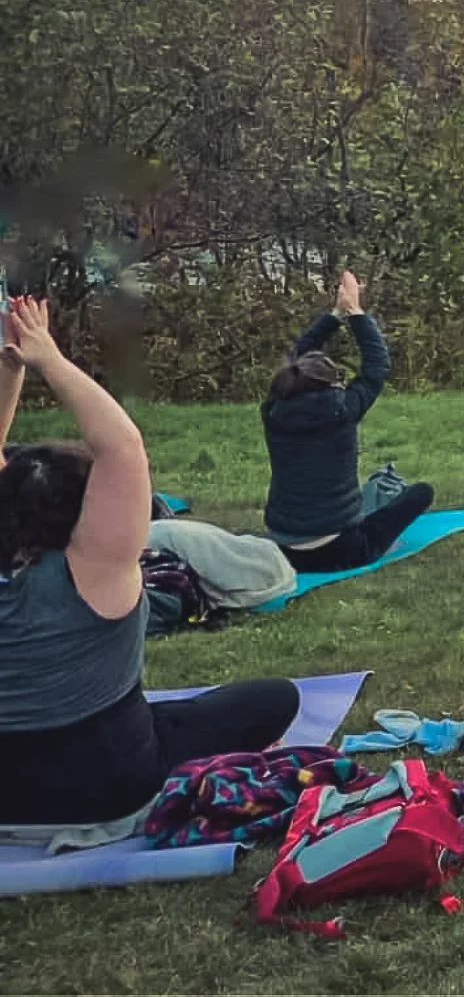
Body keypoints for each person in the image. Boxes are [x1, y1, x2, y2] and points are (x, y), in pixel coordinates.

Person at [0, 296, 299, 826]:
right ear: (85, 511)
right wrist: (47, 357)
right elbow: (122, 447)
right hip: (111, 786)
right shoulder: (99, 564)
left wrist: (11, 362)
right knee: (273, 699)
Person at [262, 271, 434, 572]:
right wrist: (354, 312)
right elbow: (377, 366)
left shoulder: (273, 410)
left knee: (372, 496)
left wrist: (334, 316)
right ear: (329, 384)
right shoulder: (341, 410)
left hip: (281, 548)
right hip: (339, 548)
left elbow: (293, 362)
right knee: (421, 493)